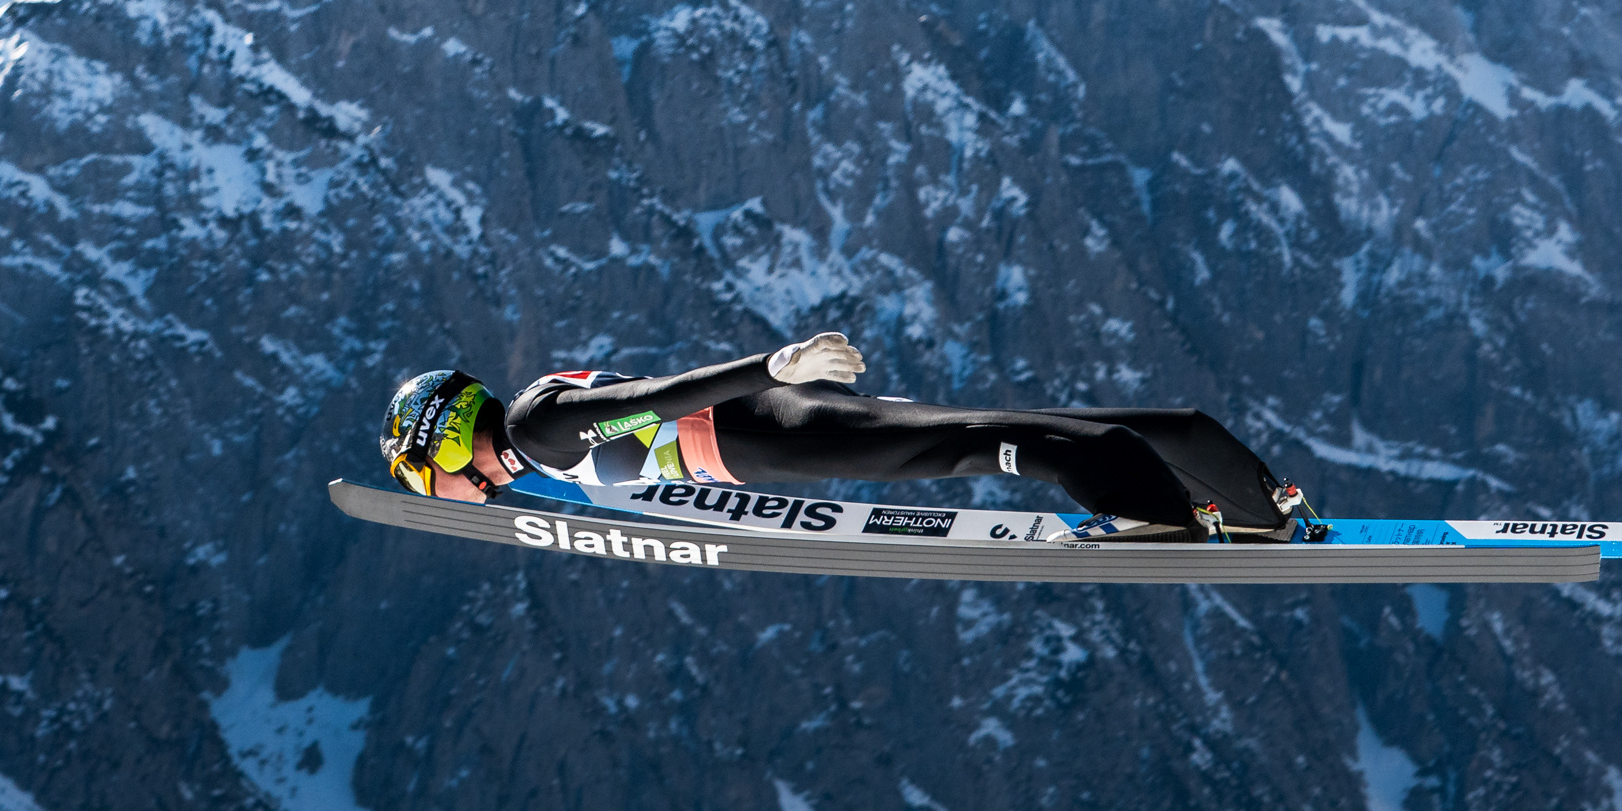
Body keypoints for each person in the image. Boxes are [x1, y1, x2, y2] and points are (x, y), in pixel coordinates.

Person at [380, 334, 1322, 541]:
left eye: (427, 478)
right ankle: (1250, 498)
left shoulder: (540, 427)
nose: (438, 494)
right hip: (754, 434)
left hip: (760, 435)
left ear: (450, 440)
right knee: (986, 431)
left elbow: (657, 403)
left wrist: (769, 370)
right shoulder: (539, 426)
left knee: (978, 444)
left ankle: (1164, 517)